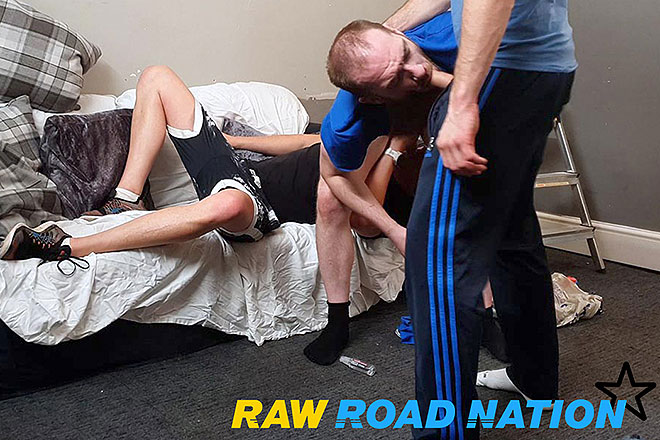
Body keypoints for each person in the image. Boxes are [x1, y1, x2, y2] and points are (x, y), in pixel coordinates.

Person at [382, 0, 576, 438]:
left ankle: (445, 433)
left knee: (438, 259)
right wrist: (388, 29)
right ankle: (534, 378)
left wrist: (463, 102)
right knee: (511, 232)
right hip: (544, 67)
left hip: (500, 71)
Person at [0, 66, 421, 264]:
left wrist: (395, 149)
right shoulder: (362, 129)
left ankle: (68, 245)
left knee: (228, 205)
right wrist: (234, 142)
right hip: (241, 173)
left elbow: (366, 222)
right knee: (157, 78)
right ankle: (125, 199)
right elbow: (308, 142)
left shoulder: (397, 164)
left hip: (259, 210)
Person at [304, 10, 458, 366]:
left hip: (458, 105)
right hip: (390, 121)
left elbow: (504, 97)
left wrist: (437, 77)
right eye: (396, 76)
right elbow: (334, 175)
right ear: (372, 97)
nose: (415, 70)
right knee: (329, 199)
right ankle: (337, 322)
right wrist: (395, 231)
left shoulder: (449, 34)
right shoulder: (349, 121)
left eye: (405, 53)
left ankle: (487, 312)